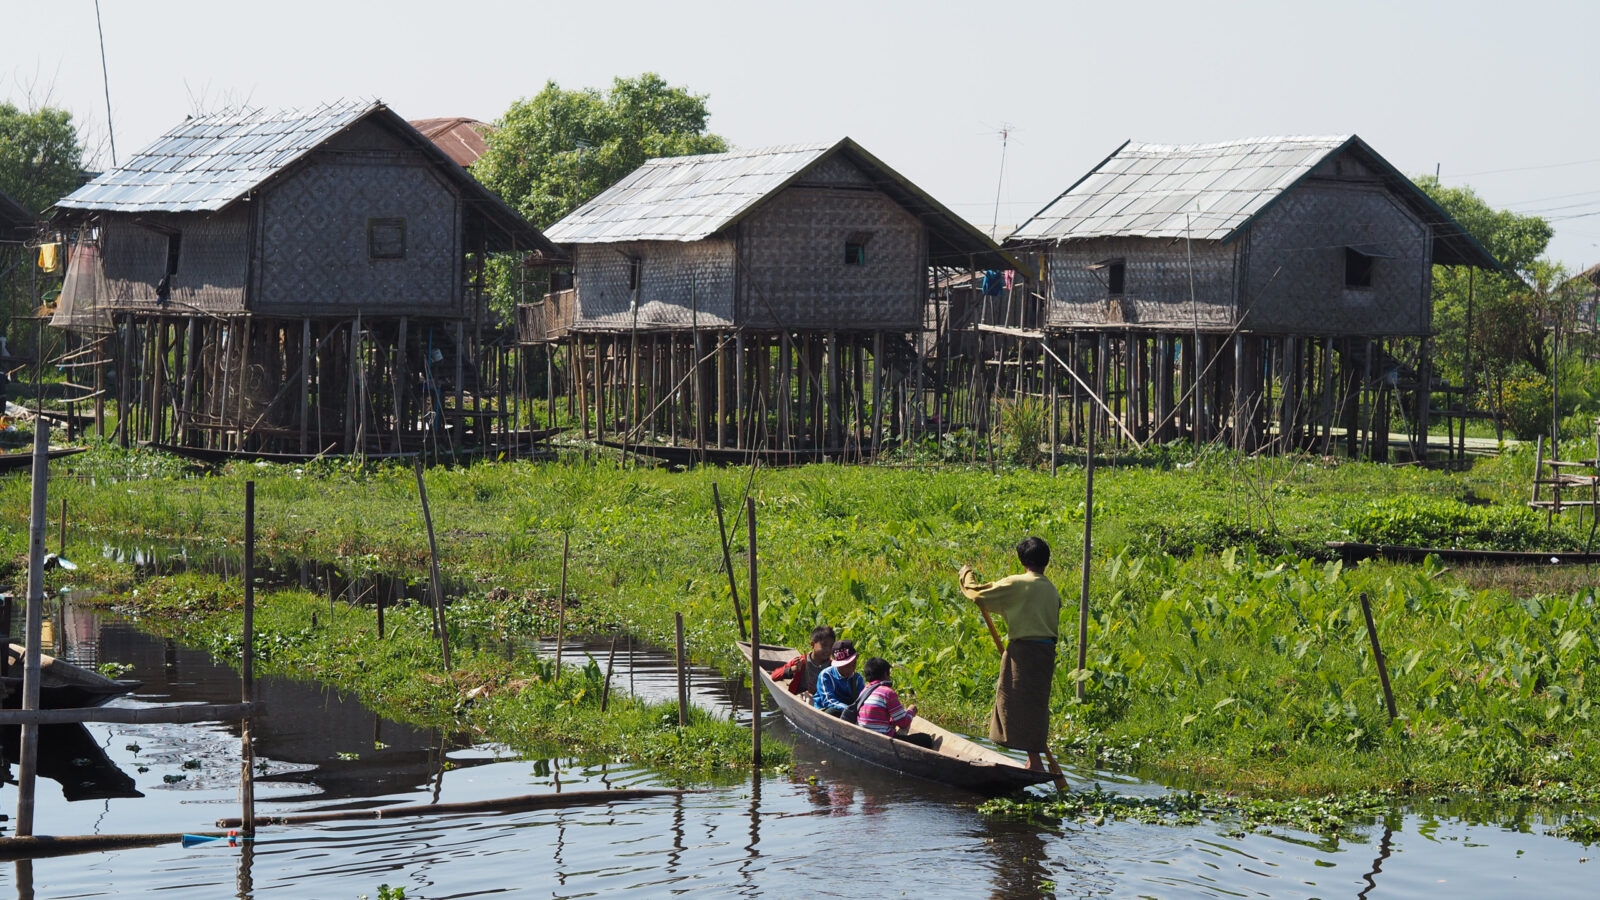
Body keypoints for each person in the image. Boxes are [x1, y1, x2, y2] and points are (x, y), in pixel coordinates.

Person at [958, 536, 1062, 771]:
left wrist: (966, 574)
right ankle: (1033, 760)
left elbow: (977, 594)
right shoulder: (1051, 589)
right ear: (1046, 561)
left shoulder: (1018, 583)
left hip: (1024, 652)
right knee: (1035, 705)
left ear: (1022, 560)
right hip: (1046, 653)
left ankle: (1035, 762)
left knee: (1015, 703)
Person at [854, 657, 935, 749]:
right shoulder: (887, 692)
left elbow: (876, 717)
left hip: (864, 736)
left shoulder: (864, 691)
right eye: (889, 673)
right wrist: (911, 711)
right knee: (925, 739)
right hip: (883, 740)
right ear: (885, 674)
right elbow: (904, 723)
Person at [772, 625, 835, 695]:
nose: (828, 650)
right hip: (799, 697)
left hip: (821, 701)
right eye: (824, 645)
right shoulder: (801, 661)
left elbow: (836, 691)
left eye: (831, 646)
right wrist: (793, 669)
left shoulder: (832, 667)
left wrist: (818, 691)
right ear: (812, 644)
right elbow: (774, 676)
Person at [812, 639, 864, 716]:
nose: (850, 669)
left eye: (853, 664)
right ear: (838, 665)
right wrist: (848, 709)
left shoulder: (857, 678)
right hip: (826, 710)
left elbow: (862, 700)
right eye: (846, 666)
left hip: (849, 712)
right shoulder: (826, 675)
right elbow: (828, 701)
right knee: (833, 711)